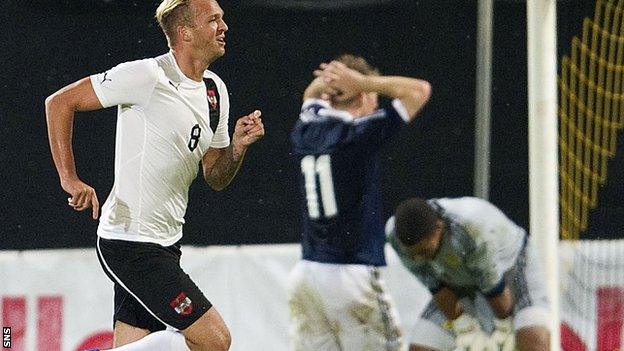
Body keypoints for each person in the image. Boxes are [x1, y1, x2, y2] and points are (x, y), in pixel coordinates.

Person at [44, 0, 264, 350]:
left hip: (166, 242)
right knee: (215, 341)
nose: (224, 27)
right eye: (213, 20)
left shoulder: (214, 91)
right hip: (130, 242)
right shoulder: (148, 75)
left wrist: (236, 147)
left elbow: (215, 176)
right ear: (185, 32)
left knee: (133, 344)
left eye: (222, 18)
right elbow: (59, 103)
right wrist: (69, 179)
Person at [287, 55, 431, 351]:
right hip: (352, 275)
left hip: (307, 274)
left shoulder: (308, 128)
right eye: (373, 98)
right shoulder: (358, 135)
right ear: (362, 96)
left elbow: (311, 94)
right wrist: (363, 82)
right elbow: (419, 91)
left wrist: (331, 80)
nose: (376, 106)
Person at [385, 197, 551, 351]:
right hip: (458, 281)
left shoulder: (471, 228)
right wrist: (463, 326)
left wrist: (503, 329)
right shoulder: (395, 235)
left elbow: (494, 289)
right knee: (420, 348)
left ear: (438, 228)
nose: (417, 258)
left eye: (424, 251)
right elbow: (436, 287)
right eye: (412, 254)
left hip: (511, 268)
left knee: (534, 341)